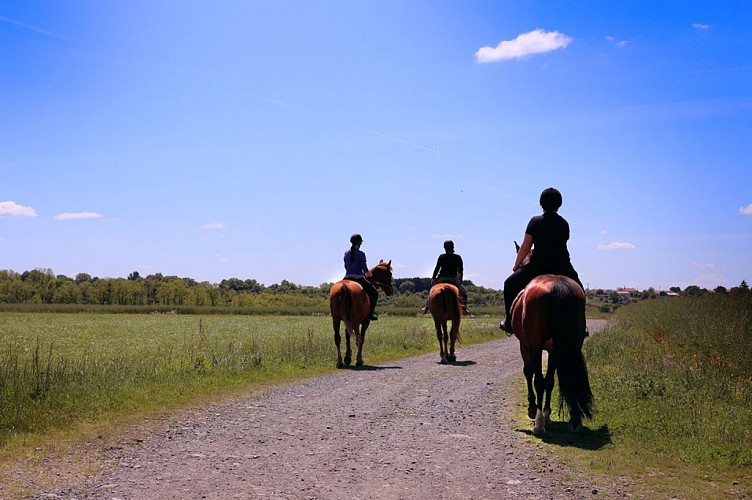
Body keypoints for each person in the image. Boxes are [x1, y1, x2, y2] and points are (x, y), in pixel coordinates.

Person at [502, 187, 584, 334]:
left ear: (541, 204)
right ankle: (582, 326)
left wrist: (516, 266)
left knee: (509, 284)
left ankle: (509, 321)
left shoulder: (535, 221)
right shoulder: (564, 223)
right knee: (580, 290)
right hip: (562, 266)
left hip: (538, 266)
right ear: (559, 204)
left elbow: (525, 247)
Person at [421, 240, 470, 315]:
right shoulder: (457, 257)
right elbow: (460, 271)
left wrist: (433, 278)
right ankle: (464, 308)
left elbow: (437, 268)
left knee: (432, 291)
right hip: (453, 278)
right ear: (453, 247)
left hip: (441, 278)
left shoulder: (441, 256)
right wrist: (460, 281)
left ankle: (426, 307)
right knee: (464, 292)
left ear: (444, 248)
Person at [343, 233, 380, 321]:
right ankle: (370, 314)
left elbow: (346, 266)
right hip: (358, 278)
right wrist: (370, 277)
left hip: (347, 277)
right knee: (374, 293)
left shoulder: (346, 253)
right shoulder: (361, 254)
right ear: (359, 243)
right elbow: (365, 268)